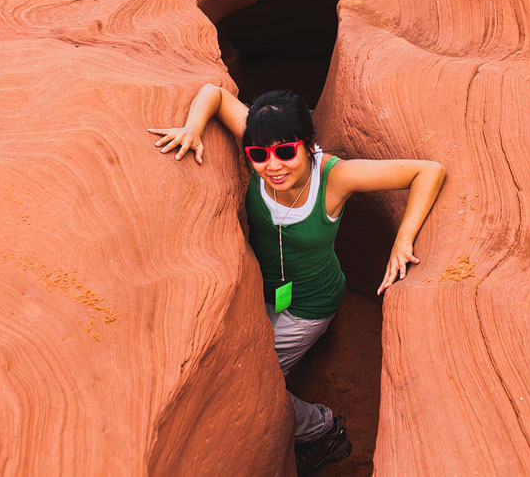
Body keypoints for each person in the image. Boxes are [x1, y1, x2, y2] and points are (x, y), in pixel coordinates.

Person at [148, 85, 445, 476]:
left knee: (254, 379)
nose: (274, 166)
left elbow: (429, 171)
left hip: (308, 305)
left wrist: (403, 238)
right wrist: (192, 127)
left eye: (287, 152)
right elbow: (215, 94)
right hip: (265, 293)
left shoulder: (335, 178)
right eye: (259, 155)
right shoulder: (264, 136)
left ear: (308, 145)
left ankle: (322, 427)